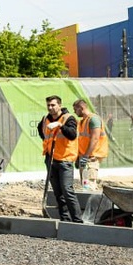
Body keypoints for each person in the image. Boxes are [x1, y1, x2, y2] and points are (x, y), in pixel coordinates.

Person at [38, 95, 82, 223]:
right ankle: (65, 220)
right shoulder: (45, 119)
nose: (50, 108)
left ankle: (78, 221)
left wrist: (60, 125)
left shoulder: (68, 118)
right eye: (48, 105)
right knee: (58, 193)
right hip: (51, 159)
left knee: (67, 190)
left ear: (59, 105)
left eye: (53, 105)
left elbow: (72, 135)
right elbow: (42, 132)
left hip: (65, 160)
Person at [73, 98, 109, 190]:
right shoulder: (82, 121)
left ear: (81, 108)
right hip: (84, 157)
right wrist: (79, 157)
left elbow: (95, 138)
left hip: (91, 158)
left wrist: (86, 156)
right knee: (85, 183)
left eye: (75, 109)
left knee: (89, 184)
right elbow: (82, 140)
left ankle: (91, 202)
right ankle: (86, 201)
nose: (74, 112)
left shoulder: (93, 119)